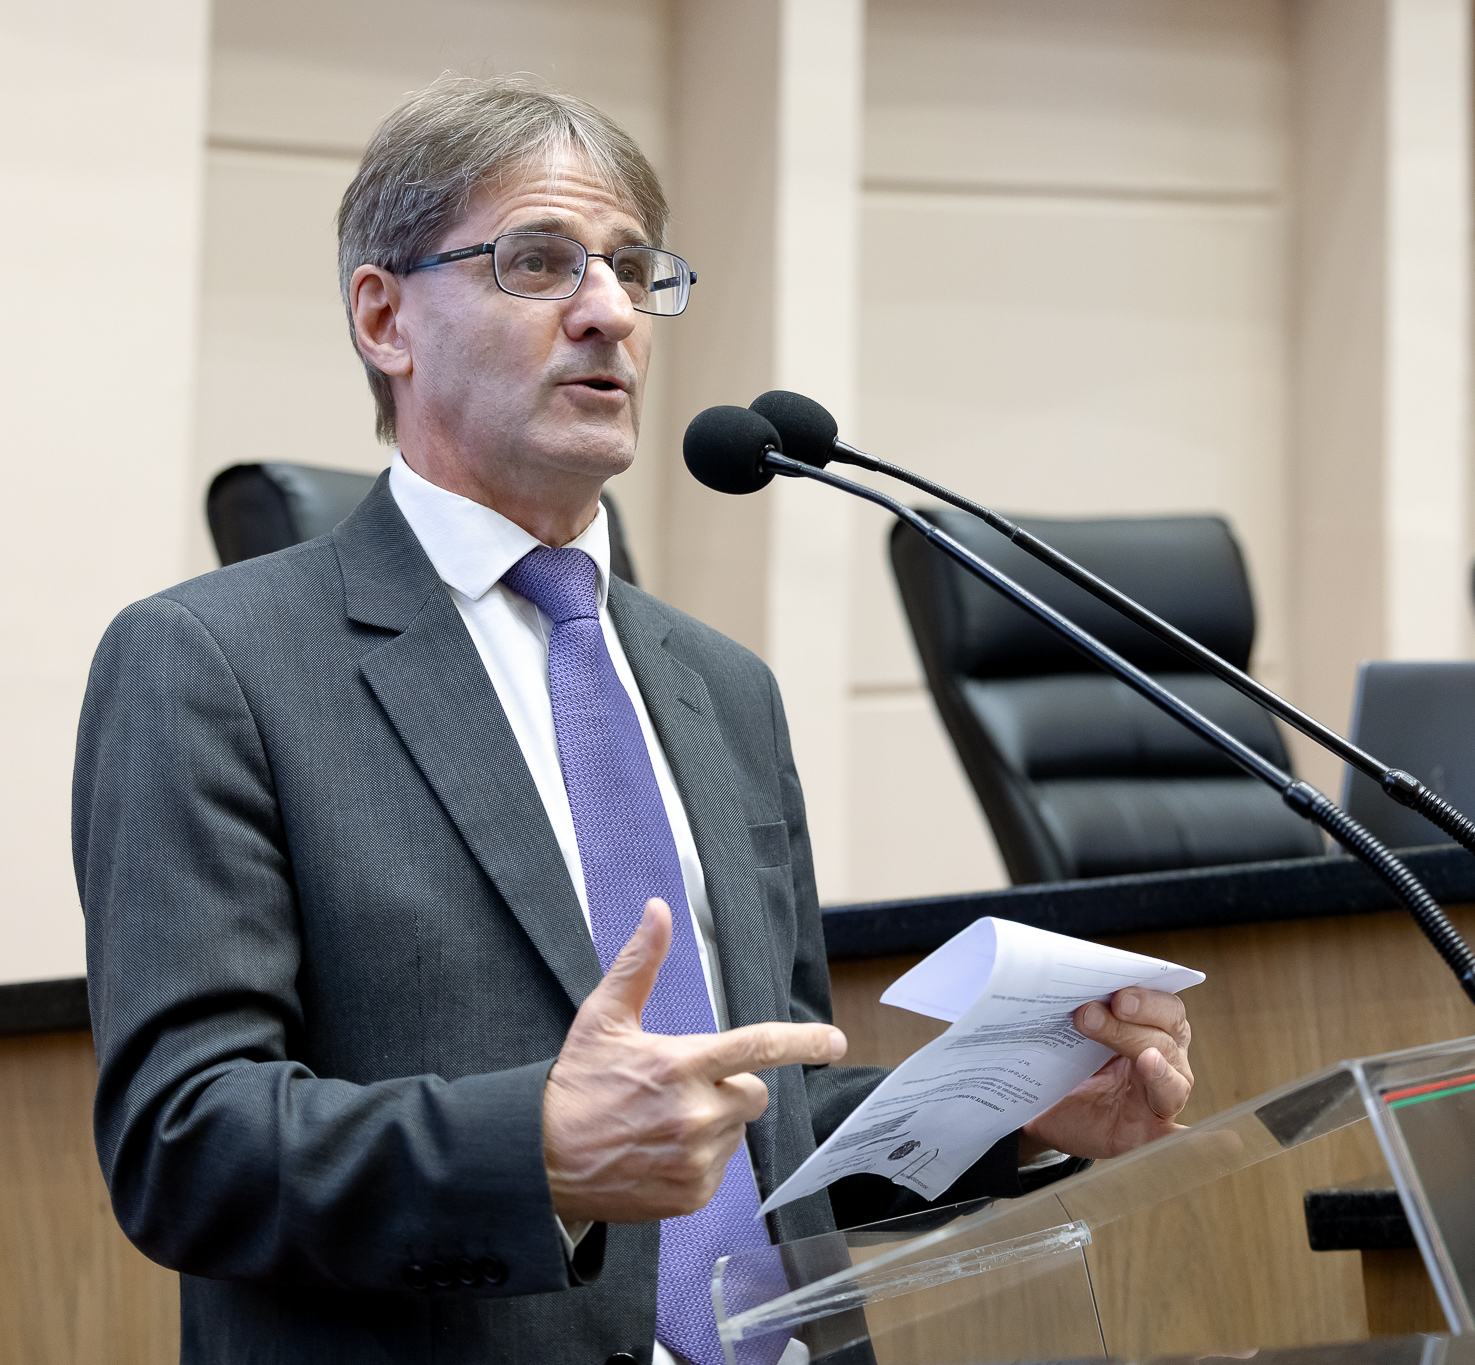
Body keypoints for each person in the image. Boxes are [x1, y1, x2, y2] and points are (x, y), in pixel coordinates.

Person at [74, 75, 1194, 1365]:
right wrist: (536, 1154)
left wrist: (1012, 1112)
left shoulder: (723, 686)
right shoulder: (212, 663)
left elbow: (757, 1124)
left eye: (629, 266)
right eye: (539, 262)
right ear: (385, 318)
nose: (607, 309)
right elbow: (184, 1144)